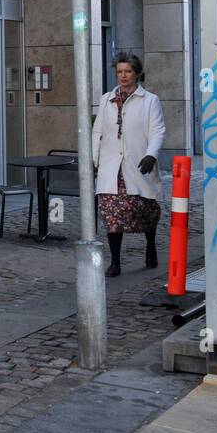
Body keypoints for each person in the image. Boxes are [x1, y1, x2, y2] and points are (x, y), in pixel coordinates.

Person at [92, 51, 165, 277]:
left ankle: (150, 246)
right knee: (111, 213)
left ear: (137, 73)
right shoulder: (107, 99)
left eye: (128, 71)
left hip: (138, 163)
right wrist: (93, 161)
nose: (123, 76)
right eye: (120, 72)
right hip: (111, 167)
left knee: (145, 210)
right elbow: (98, 131)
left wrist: (151, 154)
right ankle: (115, 262)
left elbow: (157, 131)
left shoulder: (150, 100)